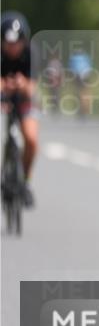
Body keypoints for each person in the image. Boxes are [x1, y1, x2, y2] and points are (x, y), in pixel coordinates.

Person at [0, 11, 38, 208]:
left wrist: (23, 84)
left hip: (24, 99)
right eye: (8, 43)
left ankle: (25, 182)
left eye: (17, 43)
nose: (13, 48)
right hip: (3, 97)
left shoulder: (31, 53)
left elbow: (35, 87)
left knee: (31, 139)